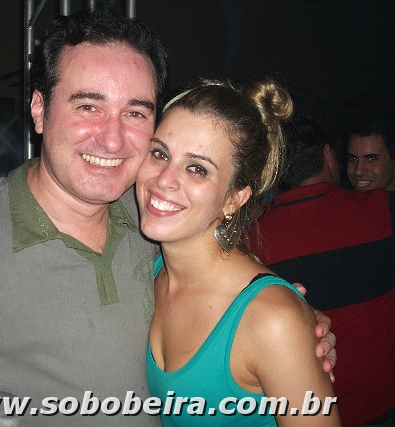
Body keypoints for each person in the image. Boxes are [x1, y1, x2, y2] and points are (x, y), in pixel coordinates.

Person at [0, 12, 335, 426]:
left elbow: (230, 291)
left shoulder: (154, 220)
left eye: (136, 113)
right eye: (88, 106)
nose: (112, 140)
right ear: (39, 110)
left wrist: (287, 330)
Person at [137, 80, 339, 426]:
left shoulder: (272, 319)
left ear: (234, 199)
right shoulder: (147, 270)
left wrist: (293, 326)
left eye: (197, 168)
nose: (164, 179)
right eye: (160, 154)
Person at [253, 114, 395, 426]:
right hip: (379, 408)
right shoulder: (379, 210)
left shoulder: (254, 239)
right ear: (329, 155)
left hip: (307, 412)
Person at [346, 116, 395, 426]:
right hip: (370, 367)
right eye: (352, 159)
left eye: (371, 159)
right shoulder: (344, 212)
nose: (358, 171)